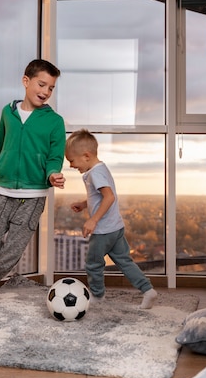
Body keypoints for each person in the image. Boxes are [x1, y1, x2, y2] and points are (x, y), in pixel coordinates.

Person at [0, 59, 66, 311]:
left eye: (51, 88)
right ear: (26, 81)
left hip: (33, 194)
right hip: (3, 189)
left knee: (13, 251)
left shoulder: (55, 122)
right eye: (42, 84)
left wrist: (53, 174)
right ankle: (3, 267)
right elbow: (1, 144)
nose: (46, 91)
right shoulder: (8, 112)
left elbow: (55, 156)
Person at [65, 129, 158, 309]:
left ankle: (98, 297)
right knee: (125, 261)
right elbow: (102, 195)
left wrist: (93, 220)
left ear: (86, 155)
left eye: (71, 161)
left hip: (103, 231)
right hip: (116, 228)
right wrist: (85, 204)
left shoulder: (95, 173)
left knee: (93, 264)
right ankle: (147, 290)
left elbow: (109, 197)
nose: (71, 165)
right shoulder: (101, 168)